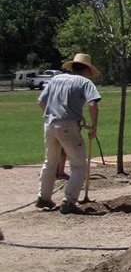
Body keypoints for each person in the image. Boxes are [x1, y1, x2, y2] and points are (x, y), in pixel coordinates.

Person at [36, 53, 101, 215]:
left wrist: (54, 115)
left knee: (50, 162)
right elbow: (93, 104)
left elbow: (41, 102)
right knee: (79, 165)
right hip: (68, 126)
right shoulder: (85, 82)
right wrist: (94, 126)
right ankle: (69, 200)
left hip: (50, 124)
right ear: (86, 69)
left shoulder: (56, 79)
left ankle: (43, 197)